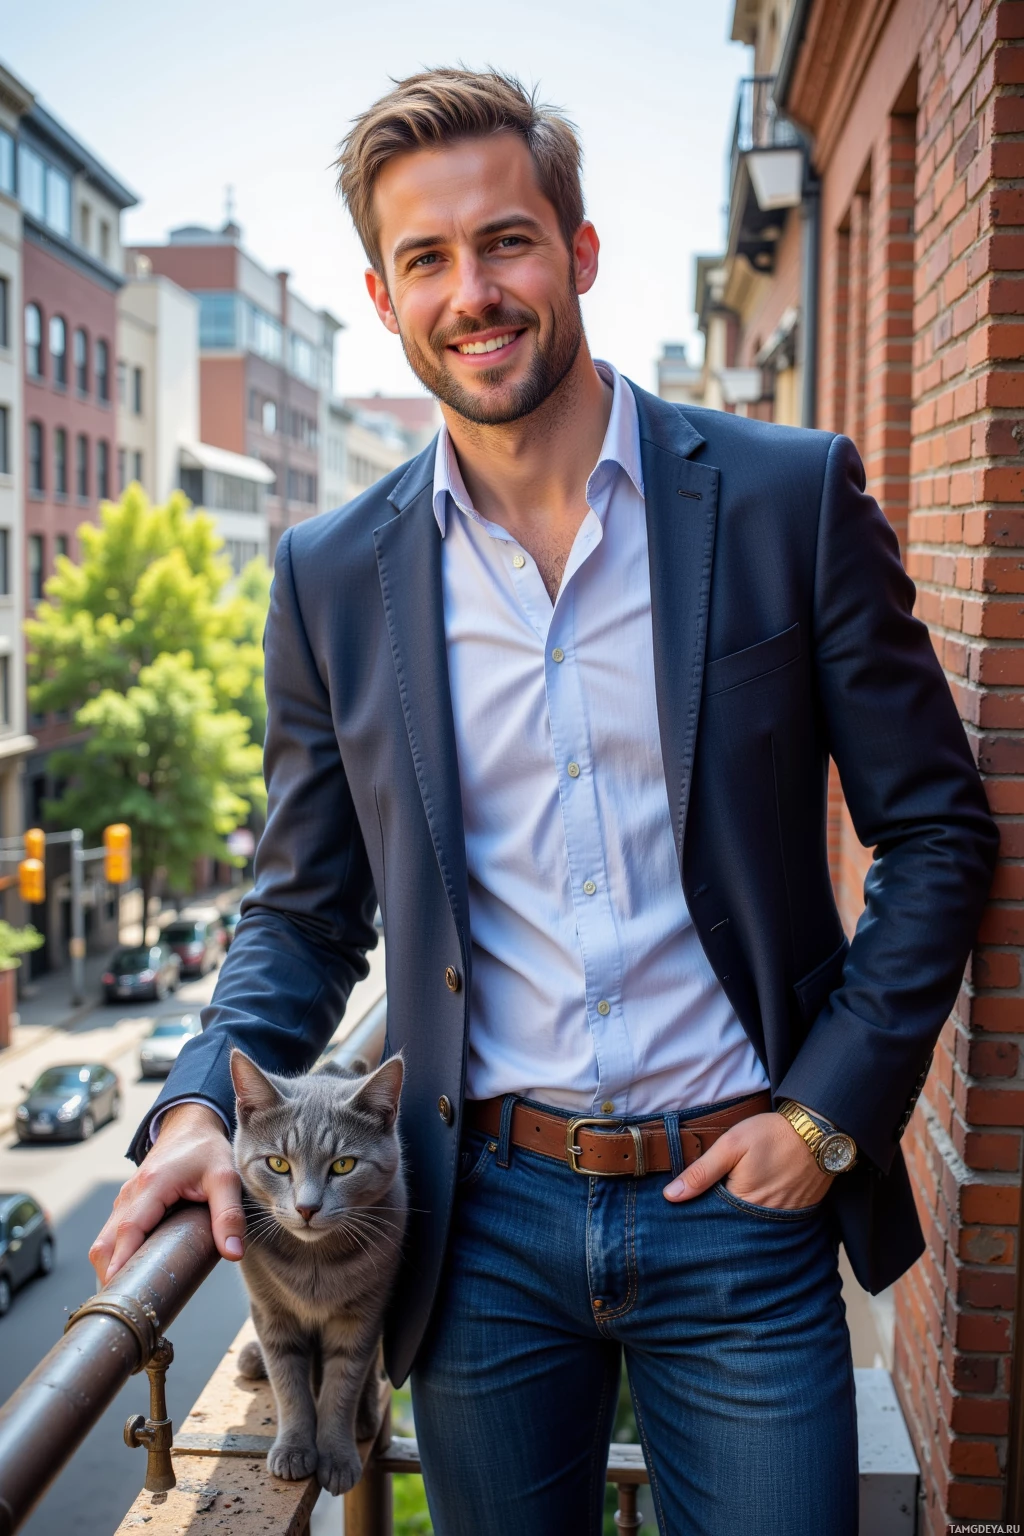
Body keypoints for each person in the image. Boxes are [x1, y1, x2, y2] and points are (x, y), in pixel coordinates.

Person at [91, 68, 997, 1535]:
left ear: (577, 254)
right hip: (478, 1225)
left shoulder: (783, 497)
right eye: (427, 261)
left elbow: (938, 832)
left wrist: (826, 1115)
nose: (475, 291)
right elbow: (306, 911)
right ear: (384, 302)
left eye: (505, 241)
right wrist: (204, 1095)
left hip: (740, 1204)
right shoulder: (333, 576)